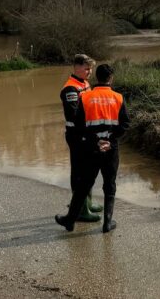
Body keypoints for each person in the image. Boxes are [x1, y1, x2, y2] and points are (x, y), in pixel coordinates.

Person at [55, 63, 130, 233]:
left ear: (97, 77)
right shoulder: (118, 97)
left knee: (84, 183)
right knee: (109, 184)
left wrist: (95, 140)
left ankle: (70, 220)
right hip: (111, 148)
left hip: (91, 148)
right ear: (111, 78)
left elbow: (79, 124)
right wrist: (110, 139)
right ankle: (107, 223)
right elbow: (125, 124)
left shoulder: (86, 97)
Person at [60, 54, 102, 222]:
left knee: (88, 169)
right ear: (76, 67)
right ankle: (81, 209)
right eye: (86, 68)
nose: (89, 72)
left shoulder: (83, 83)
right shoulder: (70, 89)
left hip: (87, 134)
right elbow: (74, 115)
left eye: (91, 68)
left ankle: (88, 202)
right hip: (77, 135)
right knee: (79, 172)